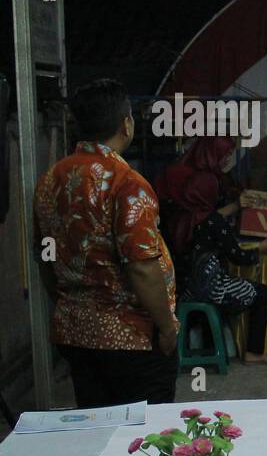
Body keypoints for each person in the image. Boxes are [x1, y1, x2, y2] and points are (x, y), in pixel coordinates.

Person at [32, 78, 179, 406]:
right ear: (126, 123)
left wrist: (67, 307)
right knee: (143, 439)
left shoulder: (49, 180)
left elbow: (45, 256)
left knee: (97, 432)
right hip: (131, 339)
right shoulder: (126, 182)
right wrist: (167, 327)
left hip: (75, 334)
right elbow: (141, 267)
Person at [163, 163, 267, 365]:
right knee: (263, 294)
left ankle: (209, 342)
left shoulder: (180, 217)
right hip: (210, 289)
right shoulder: (213, 221)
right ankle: (253, 352)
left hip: (184, 289)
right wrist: (260, 249)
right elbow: (238, 256)